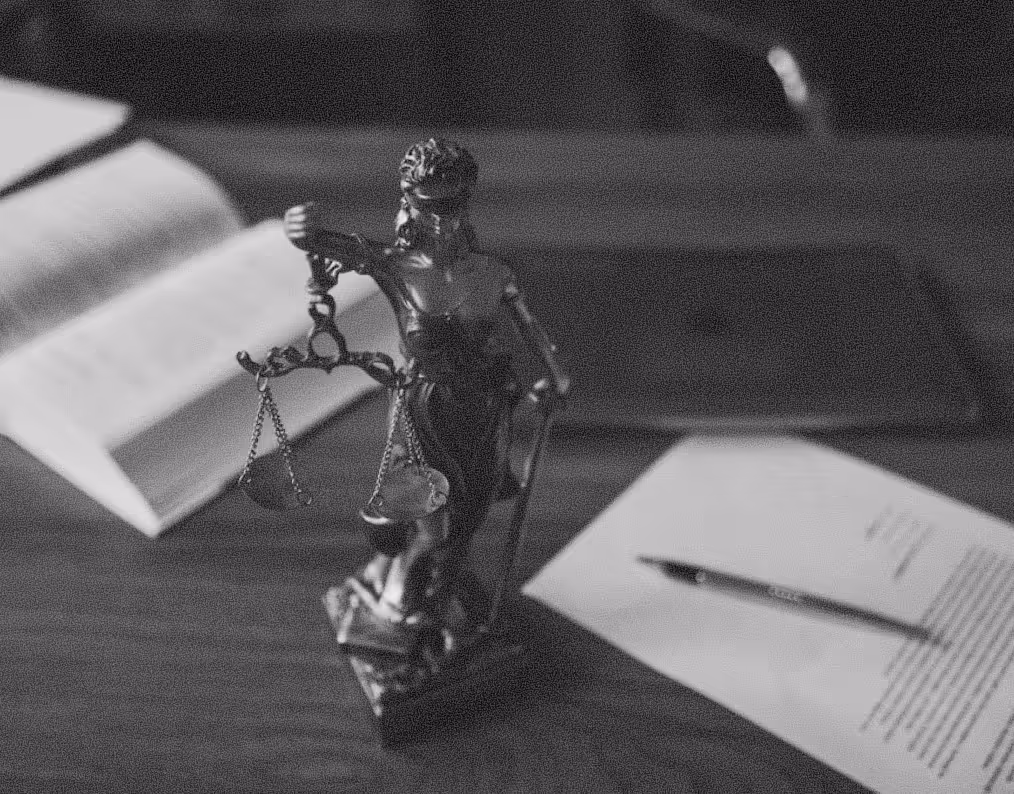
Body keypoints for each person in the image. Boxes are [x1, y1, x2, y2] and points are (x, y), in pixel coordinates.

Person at [284, 138, 568, 661]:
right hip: (426, 413)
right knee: (430, 527)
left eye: (453, 205)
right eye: (429, 206)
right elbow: (327, 245)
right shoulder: (396, 267)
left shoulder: (495, 275)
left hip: (484, 411)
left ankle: (433, 596)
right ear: (409, 201)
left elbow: (536, 341)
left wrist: (552, 383)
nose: (441, 220)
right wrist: (301, 230)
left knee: (471, 516)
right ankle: (403, 603)